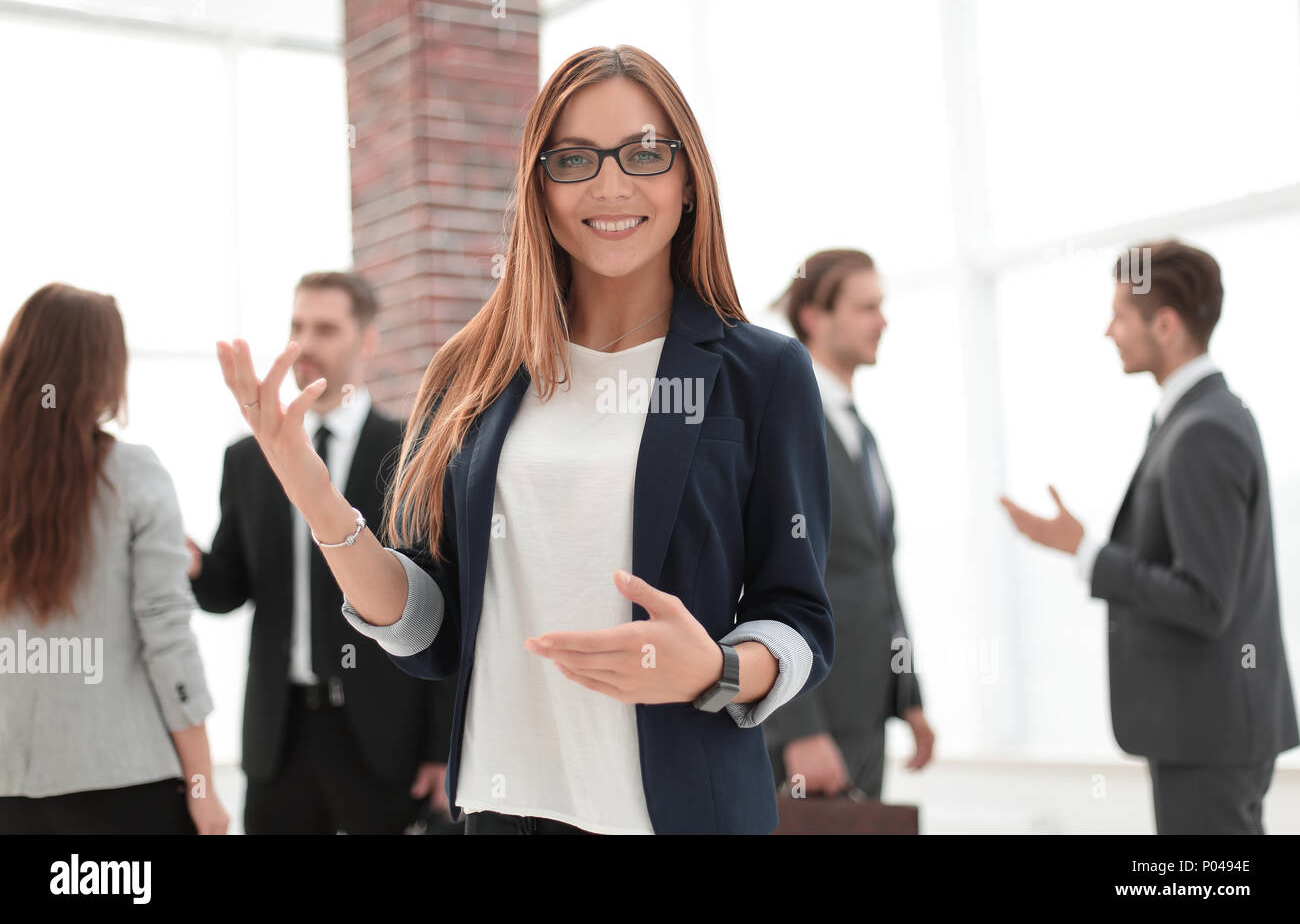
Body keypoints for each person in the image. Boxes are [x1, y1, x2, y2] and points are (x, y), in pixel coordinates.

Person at [213, 44, 836, 834]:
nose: (610, 185)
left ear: (688, 179)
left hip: (679, 813)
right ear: (538, 187)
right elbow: (428, 624)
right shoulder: (475, 372)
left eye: (644, 153)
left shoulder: (763, 372)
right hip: (503, 810)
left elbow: (801, 618)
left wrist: (717, 669)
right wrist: (304, 480)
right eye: (574, 159)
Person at [1000, 239, 1299, 833]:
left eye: (1119, 315)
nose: (1109, 332)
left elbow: (1205, 601)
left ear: (1165, 325)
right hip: (1211, 730)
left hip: (1207, 734)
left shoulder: (1201, 432)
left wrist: (1085, 553)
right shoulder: (1201, 416)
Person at [188, 271, 456, 834]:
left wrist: (440, 747)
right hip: (278, 734)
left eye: (326, 328)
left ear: (367, 341)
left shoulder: (413, 449)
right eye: (297, 326)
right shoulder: (248, 457)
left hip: (382, 738)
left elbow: (441, 602)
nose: (306, 343)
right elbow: (227, 588)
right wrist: (189, 562)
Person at [0, 283, 225, 834]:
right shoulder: (134, 475)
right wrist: (204, 788)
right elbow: (167, 638)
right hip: (123, 784)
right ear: (103, 369)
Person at [764, 249, 934, 799]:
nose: (882, 321)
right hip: (812, 724)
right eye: (866, 307)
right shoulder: (785, 420)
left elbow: (876, 572)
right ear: (814, 317)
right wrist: (800, 726)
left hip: (867, 715)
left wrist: (909, 694)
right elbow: (763, 581)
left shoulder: (860, 432)